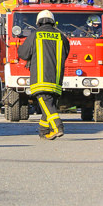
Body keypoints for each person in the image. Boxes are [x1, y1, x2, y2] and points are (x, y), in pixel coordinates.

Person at [18, 9, 70, 140]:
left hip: (40, 78)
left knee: (45, 103)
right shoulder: (61, 37)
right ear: (53, 22)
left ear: (38, 22)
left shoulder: (35, 35)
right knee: (48, 105)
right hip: (56, 78)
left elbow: (23, 54)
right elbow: (66, 52)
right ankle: (44, 132)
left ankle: (58, 127)